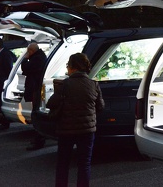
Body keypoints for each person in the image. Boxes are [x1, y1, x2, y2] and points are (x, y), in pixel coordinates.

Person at [47, 53, 104, 187]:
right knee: (84, 164)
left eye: (68, 65)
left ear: (73, 67)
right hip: (87, 131)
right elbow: (100, 107)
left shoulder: (64, 85)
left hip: (66, 130)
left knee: (63, 164)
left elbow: (51, 103)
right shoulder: (93, 84)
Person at [20, 43, 48, 150]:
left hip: (35, 88)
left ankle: (39, 139)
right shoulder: (40, 57)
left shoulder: (37, 59)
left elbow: (26, 68)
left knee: (36, 114)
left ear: (31, 51)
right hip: (36, 88)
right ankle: (38, 137)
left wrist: (24, 59)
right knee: (36, 113)